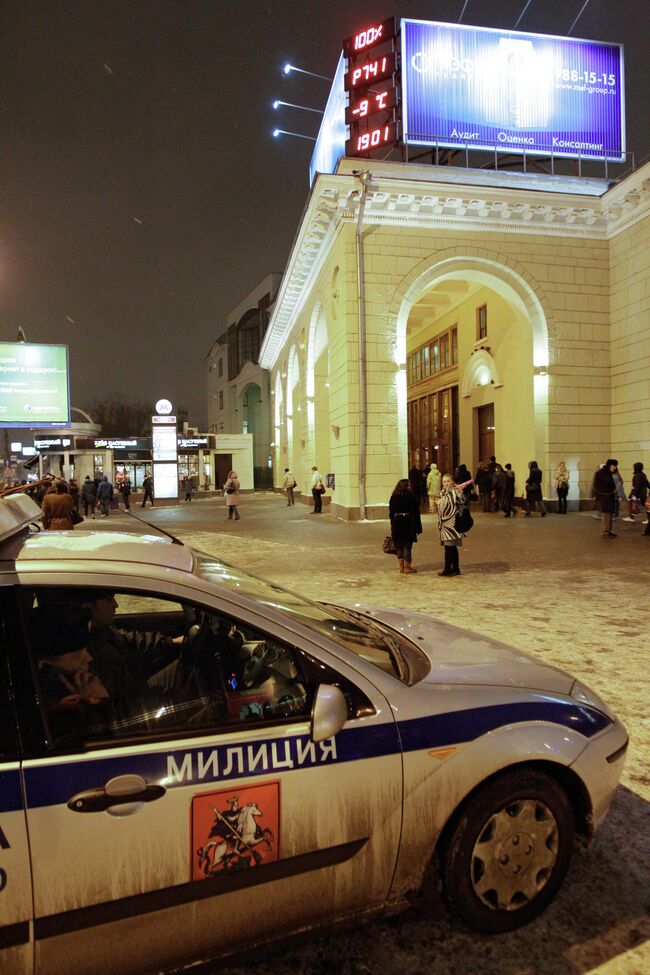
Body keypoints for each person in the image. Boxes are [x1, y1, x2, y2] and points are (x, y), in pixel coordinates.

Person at [388, 478, 422, 574]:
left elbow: (391, 512)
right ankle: (407, 567)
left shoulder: (393, 497)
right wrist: (418, 527)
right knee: (407, 545)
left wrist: (392, 524)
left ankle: (401, 567)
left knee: (399, 546)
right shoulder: (411, 497)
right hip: (408, 521)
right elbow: (416, 513)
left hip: (397, 521)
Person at [437, 474, 465, 577]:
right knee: (451, 547)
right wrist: (439, 525)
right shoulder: (442, 493)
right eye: (444, 481)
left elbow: (463, 503)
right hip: (445, 524)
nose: (446, 483)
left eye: (448, 481)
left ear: (452, 481)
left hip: (453, 523)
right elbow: (440, 511)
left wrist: (460, 493)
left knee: (449, 548)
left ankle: (448, 569)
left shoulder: (456, 492)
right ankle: (455, 569)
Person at [591, 459, 618, 537]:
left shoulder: (607, 473)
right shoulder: (602, 473)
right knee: (606, 514)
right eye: (614, 466)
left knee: (609, 513)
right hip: (604, 497)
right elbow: (609, 483)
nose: (615, 468)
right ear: (610, 465)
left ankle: (608, 530)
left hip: (608, 496)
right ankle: (605, 531)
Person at [630, 461, 650, 535]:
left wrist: (634, 495)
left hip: (638, 496)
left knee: (644, 510)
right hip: (643, 495)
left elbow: (636, 487)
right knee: (648, 511)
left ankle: (647, 530)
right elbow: (648, 484)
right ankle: (647, 529)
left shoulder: (637, 476)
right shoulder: (643, 474)